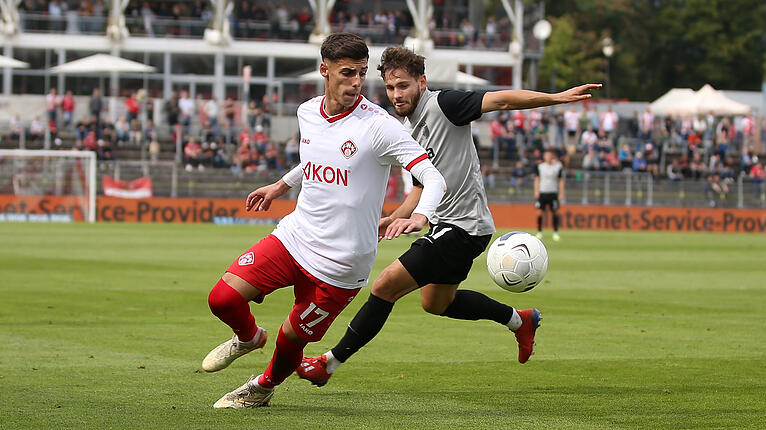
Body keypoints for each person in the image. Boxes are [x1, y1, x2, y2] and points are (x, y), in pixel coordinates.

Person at [297, 46, 599, 387]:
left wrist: (556, 98)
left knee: (384, 287)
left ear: (422, 82)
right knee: (437, 303)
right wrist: (393, 218)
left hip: (463, 226)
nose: (397, 95)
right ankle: (520, 321)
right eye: (391, 88)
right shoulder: (405, 128)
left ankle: (328, 363)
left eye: (404, 86)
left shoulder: (445, 105)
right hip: (450, 226)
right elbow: (417, 189)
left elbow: (500, 101)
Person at [203, 33, 446, 409]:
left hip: (341, 263)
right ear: (324, 71)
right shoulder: (307, 112)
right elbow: (318, 155)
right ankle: (249, 338)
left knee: (291, 339)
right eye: (347, 73)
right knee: (222, 298)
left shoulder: (379, 127)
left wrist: (420, 214)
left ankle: (261, 389)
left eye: (362, 74)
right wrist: (282, 185)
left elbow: (434, 177)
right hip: (296, 236)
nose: (355, 82)